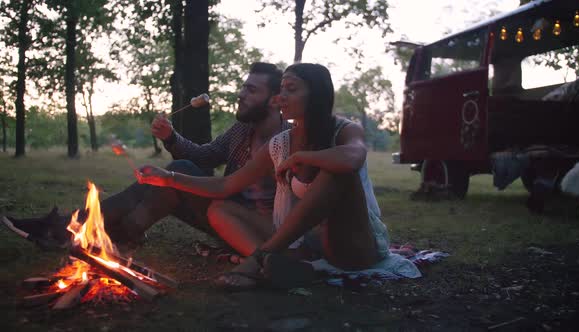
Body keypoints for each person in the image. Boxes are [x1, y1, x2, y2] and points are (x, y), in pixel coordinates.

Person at [135, 63, 391, 290]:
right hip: (306, 246)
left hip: (350, 246)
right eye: (281, 90)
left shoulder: (345, 131)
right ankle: (280, 265)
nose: (281, 97)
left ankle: (256, 261)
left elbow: (353, 158)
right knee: (220, 209)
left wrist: (302, 158)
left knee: (335, 172)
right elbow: (225, 184)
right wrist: (168, 178)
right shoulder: (280, 143)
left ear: (316, 94)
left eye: (291, 89)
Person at [3, 62, 290, 253]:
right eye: (243, 87)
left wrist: (173, 177)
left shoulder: (288, 141)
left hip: (248, 231)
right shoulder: (242, 130)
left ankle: (76, 230)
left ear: (275, 99)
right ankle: (79, 230)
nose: (241, 95)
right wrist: (170, 136)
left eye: (251, 90)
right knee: (155, 182)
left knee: (175, 172)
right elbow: (204, 158)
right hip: (222, 213)